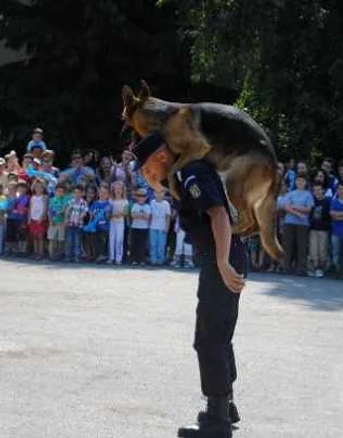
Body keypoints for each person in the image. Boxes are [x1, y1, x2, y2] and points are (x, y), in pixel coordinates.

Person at [134, 131, 246, 438]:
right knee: (219, 335)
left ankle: (216, 423)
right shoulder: (183, 174)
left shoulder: (189, 172)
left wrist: (222, 263)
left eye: (146, 169)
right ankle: (225, 407)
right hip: (224, 254)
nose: (147, 177)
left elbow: (219, 214)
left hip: (221, 255)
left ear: (160, 157)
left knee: (208, 339)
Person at [278, 174, 314, 275]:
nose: (300, 183)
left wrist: (293, 207)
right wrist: (298, 213)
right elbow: (286, 207)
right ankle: (285, 266)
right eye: (298, 181)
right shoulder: (290, 194)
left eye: (302, 181)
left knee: (301, 246)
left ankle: (301, 268)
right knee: (287, 245)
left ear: (305, 182)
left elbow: (308, 209)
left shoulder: (308, 195)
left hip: (303, 224)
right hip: (289, 222)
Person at [308, 182, 331, 278]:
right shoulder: (311, 201)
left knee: (322, 250)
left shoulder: (327, 201)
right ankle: (316, 268)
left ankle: (321, 269)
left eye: (319, 190)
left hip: (324, 229)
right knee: (314, 250)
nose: (317, 192)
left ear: (323, 190)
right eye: (315, 190)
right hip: (313, 228)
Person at [63, 184, 88, 262]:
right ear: (73, 193)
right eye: (75, 193)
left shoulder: (84, 203)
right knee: (69, 241)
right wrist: (66, 219)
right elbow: (67, 211)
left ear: (82, 193)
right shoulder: (71, 201)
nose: (77, 194)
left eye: (79, 193)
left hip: (78, 225)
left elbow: (85, 212)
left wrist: (82, 216)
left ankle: (77, 256)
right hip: (70, 224)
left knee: (77, 241)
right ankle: (68, 256)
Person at [108, 180, 129, 265]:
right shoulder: (110, 200)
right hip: (112, 222)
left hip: (120, 223)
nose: (117, 190)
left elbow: (126, 212)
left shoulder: (125, 201)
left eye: (119, 188)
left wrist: (120, 213)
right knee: (112, 239)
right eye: (116, 188)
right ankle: (111, 257)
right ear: (113, 190)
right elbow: (108, 212)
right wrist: (113, 214)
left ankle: (118, 258)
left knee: (119, 240)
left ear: (122, 190)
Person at [149, 189, 171, 265]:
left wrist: (167, 227)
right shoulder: (152, 202)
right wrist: (149, 225)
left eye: (161, 192)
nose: (159, 194)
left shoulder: (166, 204)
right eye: (157, 192)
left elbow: (168, 216)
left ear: (164, 194)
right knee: (153, 244)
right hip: (153, 226)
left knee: (161, 245)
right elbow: (150, 215)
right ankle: (153, 260)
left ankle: (161, 260)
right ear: (154, 193)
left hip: (162, 227)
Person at [47, 184, 69, 261]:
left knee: (61, 240)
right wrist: (50, 220)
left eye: (62, 192)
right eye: (58, 191)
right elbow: (49, 211)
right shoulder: (52, 200)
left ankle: (59, 254)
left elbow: (64, 210)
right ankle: (51, 254)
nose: (60, 193)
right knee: (52, 239)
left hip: (61, 223)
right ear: (55, 191)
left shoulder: (65, 200)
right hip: (53, 222)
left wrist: (64, 221)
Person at [129, 188, 151, 265]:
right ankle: (134, 259)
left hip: (144, 228)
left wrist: (138, 214)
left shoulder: (147, 206)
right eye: (139, 195)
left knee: (142, 244)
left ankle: (142, 260)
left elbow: (148, 217)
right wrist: (142, 215)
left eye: (143, 196)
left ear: (146, 197)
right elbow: (132, 215)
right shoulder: (135, 205)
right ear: (136, 197)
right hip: (135, 227)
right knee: (134, 244)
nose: (141, 197)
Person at [28, 178, 49, 260]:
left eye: (41, 187)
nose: (39, 189)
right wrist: (29, 218)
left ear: (44, 188)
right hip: (33, 218)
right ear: (34, 187)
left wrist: (42, 217)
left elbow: (45, 208)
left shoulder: (45, 197)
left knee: (41, 237)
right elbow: (30, 208)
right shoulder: (32, 197)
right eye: (37, 187)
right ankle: (35, 252)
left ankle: (41, 253)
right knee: (34, 236)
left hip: (40, 219)